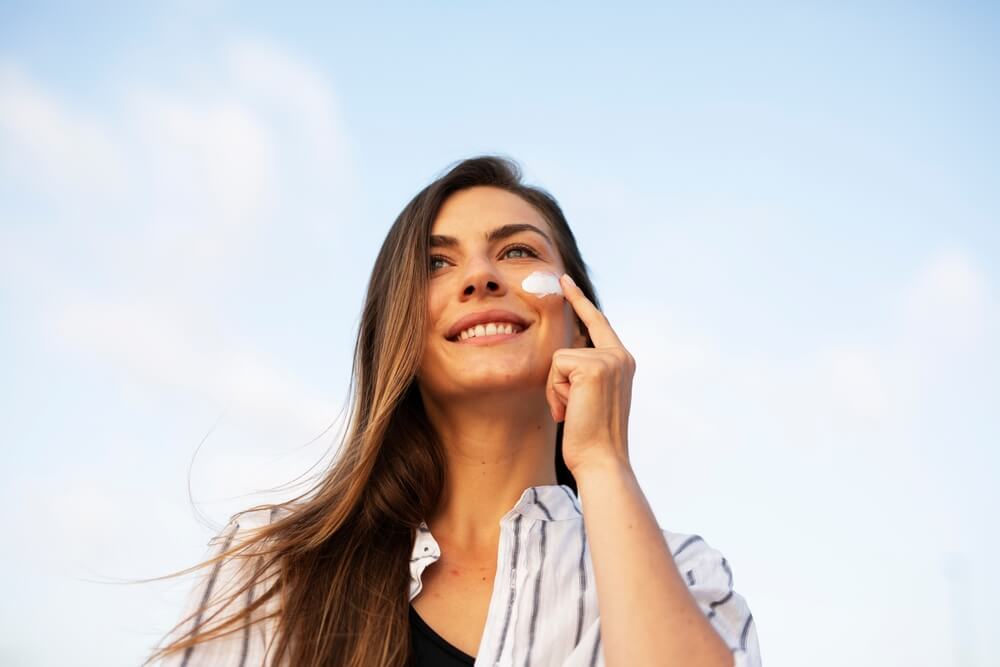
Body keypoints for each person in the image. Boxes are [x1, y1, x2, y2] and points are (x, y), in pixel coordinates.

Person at [147, 155, 762, 667]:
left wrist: (602, 461)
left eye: (518, 252)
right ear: (400, 336)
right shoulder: (273, 568)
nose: (479, 277)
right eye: (437, 263)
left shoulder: (686, 572)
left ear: (580, 324)